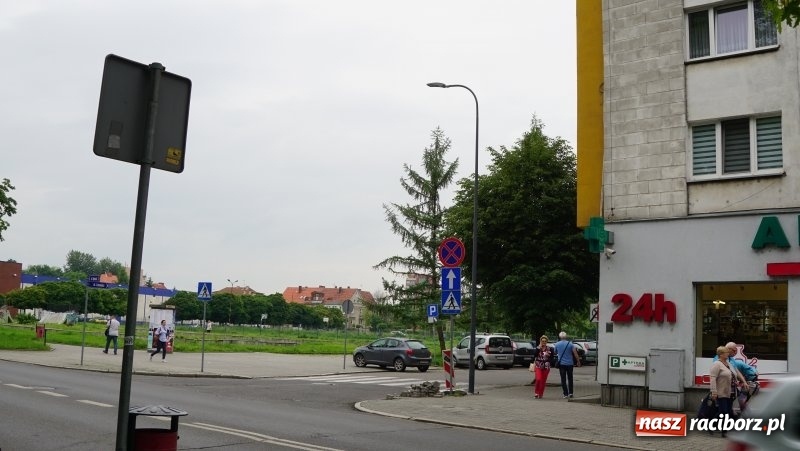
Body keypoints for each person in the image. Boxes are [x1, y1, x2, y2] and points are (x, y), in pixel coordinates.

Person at [709, 345, 746, 436]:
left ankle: (712, 425)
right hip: (721, 391)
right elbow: (713, 378)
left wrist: (743, 382)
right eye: (726, 352)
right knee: (724, 412)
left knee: (727, 412)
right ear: (721, 354)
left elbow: (736, 373)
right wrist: (713, 391)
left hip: (731, 391)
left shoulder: (728, 364)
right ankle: (723, 432)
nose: (728, 354)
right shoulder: (717, 364)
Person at [553, 331, 581, 398]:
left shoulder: (557, 344)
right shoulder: (570, 344)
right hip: (570, 364)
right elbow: (575, 354)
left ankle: (565, 394)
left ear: (560, 337)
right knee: (570, 378)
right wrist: (578, 361)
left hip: (561, 364)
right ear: (566, 337)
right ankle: (570, 393)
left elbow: (555, 352)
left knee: (563, 379)